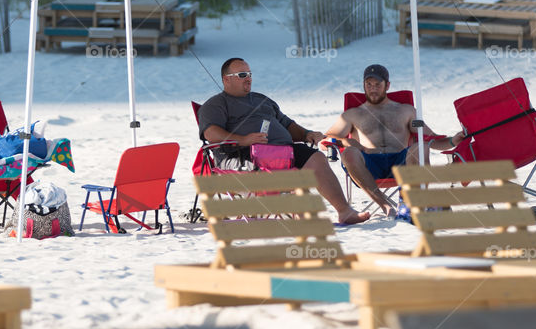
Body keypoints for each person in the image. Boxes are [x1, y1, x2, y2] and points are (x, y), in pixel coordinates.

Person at [198, 57, 371, 225]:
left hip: (282, 152)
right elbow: (211, 133)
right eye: (242, 75)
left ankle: (344, 211)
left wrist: (306, 134)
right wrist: (243, 140)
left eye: (250, 73)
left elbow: (287, 124)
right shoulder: (215, 105)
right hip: (242, 155)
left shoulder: (262, 100)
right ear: (226, 79)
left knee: (315, 157)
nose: (248, 78)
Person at [323, 64, 465, 213]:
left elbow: (429, 137)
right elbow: (327, 138)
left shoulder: (407, 111)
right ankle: (384, 205)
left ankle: (410, 204)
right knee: (349, 153)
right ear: (363, 85)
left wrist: (451, 141)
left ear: (387, 85)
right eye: (369, 84)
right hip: (369, 165)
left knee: (421, 147)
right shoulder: (352, 114)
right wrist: (346, 141)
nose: (373, 88)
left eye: (378, 84)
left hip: (401, 162)